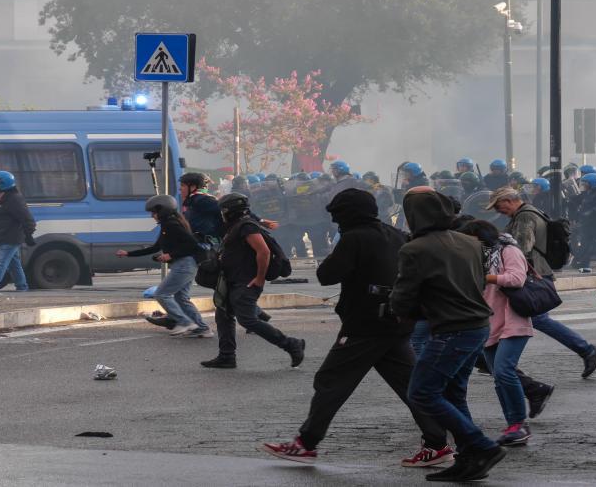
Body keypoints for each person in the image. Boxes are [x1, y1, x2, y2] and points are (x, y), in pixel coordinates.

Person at [259, 189, 454, 467]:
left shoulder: (354, 238)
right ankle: (437, 442)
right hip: (396, 321)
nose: (336, 222)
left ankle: (306, 443)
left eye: (338, 216)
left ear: (348, 214)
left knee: (331, 380)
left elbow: (326, 275)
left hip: (364, 325)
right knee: (411, 385)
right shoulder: (394, 233)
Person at [390, 188, 508, 482]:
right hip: (478, 325)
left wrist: (401, 307)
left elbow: (403, 298)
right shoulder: (469, 242)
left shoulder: (414, 249)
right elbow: (478, 281)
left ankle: (481, 446)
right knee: (454, 393)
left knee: (421, 392)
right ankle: (470, 458)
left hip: (450, 329)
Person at [487, 186, 596, 379]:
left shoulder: (524, 217)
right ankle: (495, 362)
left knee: (536, 318)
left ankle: (588, 350)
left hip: (533, 275)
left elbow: (520, 248)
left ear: (509, 201)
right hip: (538, 272)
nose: (497, 211)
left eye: (498, 205)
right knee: (522, 318)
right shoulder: (531, 212)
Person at [200, 193, 305, 370]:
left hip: (246, 282)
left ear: (230, 210)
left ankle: (291, 344)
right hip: (232, 280)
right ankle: (226, 356)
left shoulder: (247, 226)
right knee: (223, 316)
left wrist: (259, 278)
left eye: (223, 210)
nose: (221, 214)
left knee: (248, 320)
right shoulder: (236, 226)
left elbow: (263, 252)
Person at [457, 220, 536, 446]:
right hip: (489, 322)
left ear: (479, 236)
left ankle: (520, 424)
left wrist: (483, 277)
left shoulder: (508, 250)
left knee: (504, 371)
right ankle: (513, 424)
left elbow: (516, 278)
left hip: (513, 319)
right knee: (498, 377)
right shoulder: (480, 255)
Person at [117, 195, 211, 338]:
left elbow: (192, 245)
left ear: (162, 211)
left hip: (185, 264)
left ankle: (184, 322)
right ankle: (202, 329)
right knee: (181, 298)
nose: (152, 216)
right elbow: (155, 248)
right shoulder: (168, 225)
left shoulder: (171, 224)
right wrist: (128, 254)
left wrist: (171, 255)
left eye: (153, 212)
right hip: (186, 264)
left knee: (161, 294)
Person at [0, 171, 36, 294]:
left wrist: (29, 235)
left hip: (11, 237)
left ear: (2, 184)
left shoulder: (14, 199)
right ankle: (22, 287)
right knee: (14, 264)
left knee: (0, 262)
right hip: (1, 236)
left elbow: (28, 220)